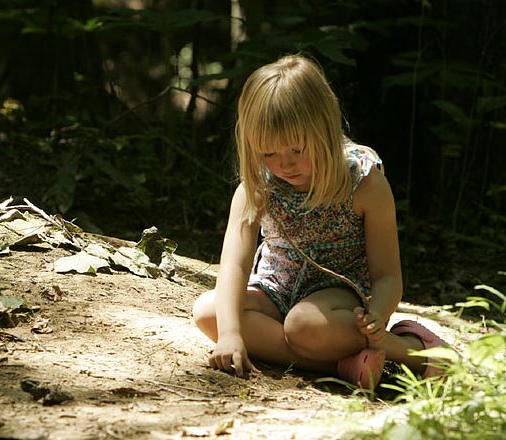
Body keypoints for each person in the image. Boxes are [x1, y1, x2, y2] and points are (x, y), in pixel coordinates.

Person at [192, 54, 448, 388]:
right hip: (276, 289)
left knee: (303, 325)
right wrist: (229, 334)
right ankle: (341, 363)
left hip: (337, 298)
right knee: (208, 312)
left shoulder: (363, 182)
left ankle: (408, 347)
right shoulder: (258, 183)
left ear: (325, 129)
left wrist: (377, 317)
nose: (284, 164)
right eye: (268, 153)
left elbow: (387, 275)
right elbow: (234, 267)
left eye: (297, 149)